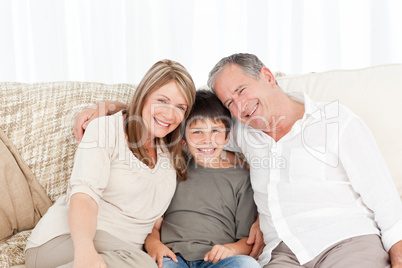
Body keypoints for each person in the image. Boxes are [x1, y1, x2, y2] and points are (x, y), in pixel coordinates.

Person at [207, 53, 402, 268]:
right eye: (229, 103)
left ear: (268, 77)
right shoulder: (242, 133)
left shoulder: (335, 120)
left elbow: (383, 197)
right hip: (282, 253)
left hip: (347, 240)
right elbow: (190, 130)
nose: (240, 106)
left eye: (241, 90)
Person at [25, 59, 197, 268]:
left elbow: (218, 135)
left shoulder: (172, 150)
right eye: (162, 100)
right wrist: (85, 251)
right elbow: (84, 198)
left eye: (180, 107)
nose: (169, 114)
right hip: (67, 241)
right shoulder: (106, 130)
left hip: (124, 255)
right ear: (144, 95)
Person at [144, 90, 261, 268]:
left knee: (247, 265)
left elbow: (247, 240)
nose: (207, 140)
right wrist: (154, 245)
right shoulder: (173, 170)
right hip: (173, 258)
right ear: (183, 139)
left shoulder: (242, 179)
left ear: (227, 136)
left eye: (215, 131)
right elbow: (154, 225)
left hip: (217, 260)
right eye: (197, 132)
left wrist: (231, 250)